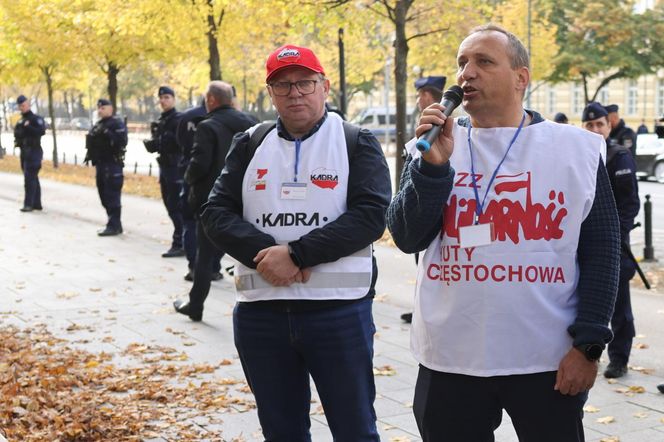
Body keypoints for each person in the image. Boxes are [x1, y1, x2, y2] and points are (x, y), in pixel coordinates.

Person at [387, 25, 620, 441]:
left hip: (546, 359)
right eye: (462, 63)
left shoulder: (574, 149)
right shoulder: (431, 146)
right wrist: (433, 169)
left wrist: (588, 346)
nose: (466, 74)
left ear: (521, 78)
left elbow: (602, 249)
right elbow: (406, 237)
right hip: (450, 359)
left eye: (483, 62)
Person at [200, 44, 391, 441]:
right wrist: (269, 255)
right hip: (261, 316)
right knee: (281, 431)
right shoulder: (250, 142)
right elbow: (215, 213)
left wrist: (297, 254)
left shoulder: (356, 141)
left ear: (324, 86)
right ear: (270, 93)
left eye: (305, 82)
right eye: (282, 85)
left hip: (338, 315)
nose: (295, 93)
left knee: (355, 429)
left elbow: (371, 215)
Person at [172, 81, 255, 320]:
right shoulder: (250, 122)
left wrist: (188, 179)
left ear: (211, 100)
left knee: (204, 256)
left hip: (214, 201)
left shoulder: (207, 126)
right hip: (247, 197)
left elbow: (199, 163)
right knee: (248, 252)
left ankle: (196, 305)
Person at [582, 102, 640, 379]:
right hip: (583, 244)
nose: (595, 130)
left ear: (608, 125)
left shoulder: (619, 156)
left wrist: (616, 235)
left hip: (616, 245)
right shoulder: (580, 154)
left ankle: (619, 358)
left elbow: (630, 204)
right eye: (589, 125)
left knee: (619, 307)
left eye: (599, 125)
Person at [401, 75, 448, 325]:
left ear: (429, 96)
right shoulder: (429, 125)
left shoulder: (444, 125)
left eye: (420, 95)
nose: (419, 100)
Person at [144, 86, 185, 257]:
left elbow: (182, 143)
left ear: (174, 99)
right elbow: (159, 145)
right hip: (165, 168)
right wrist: (152, 144)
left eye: (167, 97)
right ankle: (180, 240)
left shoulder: (179, 119)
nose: (163, 101)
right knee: (170, 205)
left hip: (175, 168)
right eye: (161, 98)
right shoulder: (162, 120)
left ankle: (180, 242)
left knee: (176, 206)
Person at [85, 99, 128, 236]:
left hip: (112, 164)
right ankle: (114, 223)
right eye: (99, 108)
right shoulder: (98, 124)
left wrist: (107, 133)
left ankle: (114, 225)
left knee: (112, 196)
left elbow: (122, 142)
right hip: (101, 164)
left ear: (111, 109)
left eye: (103, 108)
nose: (100, 110)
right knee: (103, 195)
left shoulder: (116, 123)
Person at [13, 95, 46, 212]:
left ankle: (28, 204)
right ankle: (37, 203)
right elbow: (17, 134)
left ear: (28, 104)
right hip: (24, 151)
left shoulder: (35, 119)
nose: (21, 108)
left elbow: (41, 131)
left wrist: (29, 128)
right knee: (32, 178)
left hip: (34, 151)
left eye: (23, 105)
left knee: (29, 178)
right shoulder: (21, 121)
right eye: (20, 106)